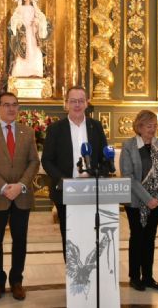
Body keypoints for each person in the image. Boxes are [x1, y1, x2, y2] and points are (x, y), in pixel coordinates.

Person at [0, 92, 40, 302]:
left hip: (21, 195)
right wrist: (4, 187)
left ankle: (16, 281)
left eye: (14, 105)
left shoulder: (28, 132)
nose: (11, 109)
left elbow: (33, 162)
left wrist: (20, 185)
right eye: (6, 105)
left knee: (20, 240)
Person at [41, 86, 108, 260]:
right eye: (73, 101)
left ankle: (91, 271)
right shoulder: (56, 128)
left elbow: (104, 158)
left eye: (81, 101)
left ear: (86, 103)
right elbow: (47, 160)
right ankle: (73, 277)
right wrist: (63, 180)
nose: (77, 105)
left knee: (91, 233)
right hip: (65, 190)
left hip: (92, 190)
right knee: (69, 235)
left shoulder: (96, 127)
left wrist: (97, 173)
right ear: (66, 104)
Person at [120, 110, 158, 292]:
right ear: (140, 126)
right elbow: (128, 176)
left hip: (156, 202)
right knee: (137, 236)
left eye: (155, 125)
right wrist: (147, 198)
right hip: (135, 201)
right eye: (149, 126)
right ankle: (135, 277)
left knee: (150, 237)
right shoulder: (128, 146)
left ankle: (148, 276)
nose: (153, 129)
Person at [9, 0, 49, 77]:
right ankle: (21, 72)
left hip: (32, 32)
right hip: (24, 33)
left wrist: (36, 22)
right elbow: (15, 20)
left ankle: (35, 71)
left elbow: (41, 19)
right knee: (23, 52)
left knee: (35, 51)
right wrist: (19, 24)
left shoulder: (34, 9)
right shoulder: (20, 9)